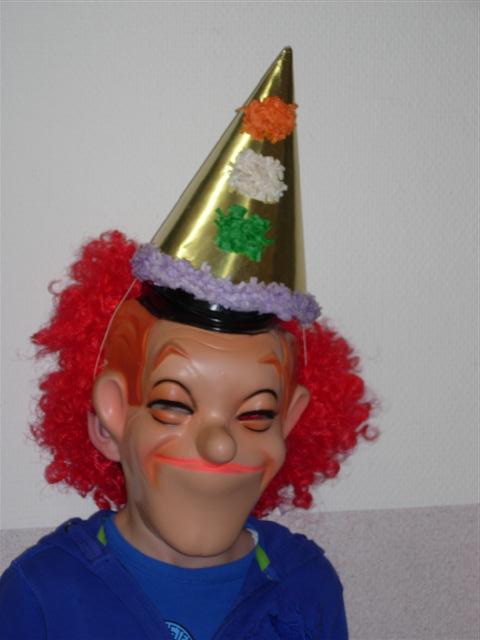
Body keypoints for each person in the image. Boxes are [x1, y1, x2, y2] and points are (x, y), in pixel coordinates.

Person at [0, 48, 373, 639]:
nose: (221, 444)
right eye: (174, 404)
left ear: (292, 420)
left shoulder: (305, 585)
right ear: (109, 417)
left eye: (257, 414)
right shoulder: (42, 595)